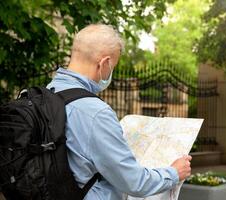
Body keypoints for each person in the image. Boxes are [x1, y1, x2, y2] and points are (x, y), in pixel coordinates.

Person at [47, 24, 192, 200]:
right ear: (105, 63)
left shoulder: (41, 95)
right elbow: (134, 181)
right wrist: (174, 173)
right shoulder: (95, 113)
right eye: (113, 66)